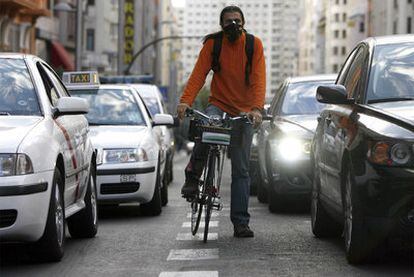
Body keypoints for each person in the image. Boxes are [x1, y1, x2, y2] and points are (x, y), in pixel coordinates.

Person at [176, 5, 266, 238]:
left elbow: (258, 78)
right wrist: (185, 102)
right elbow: (198, 75)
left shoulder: (253, 45)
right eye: (228, 21)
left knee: (242, 170)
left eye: (237, 20)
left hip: (244, 112)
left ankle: (240, 223)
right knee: (207, 130)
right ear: (222, 25)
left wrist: (256, 109)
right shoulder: (213, 45)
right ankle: (193, 177)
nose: (233, 24)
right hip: (219, 104)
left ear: (243, 23)